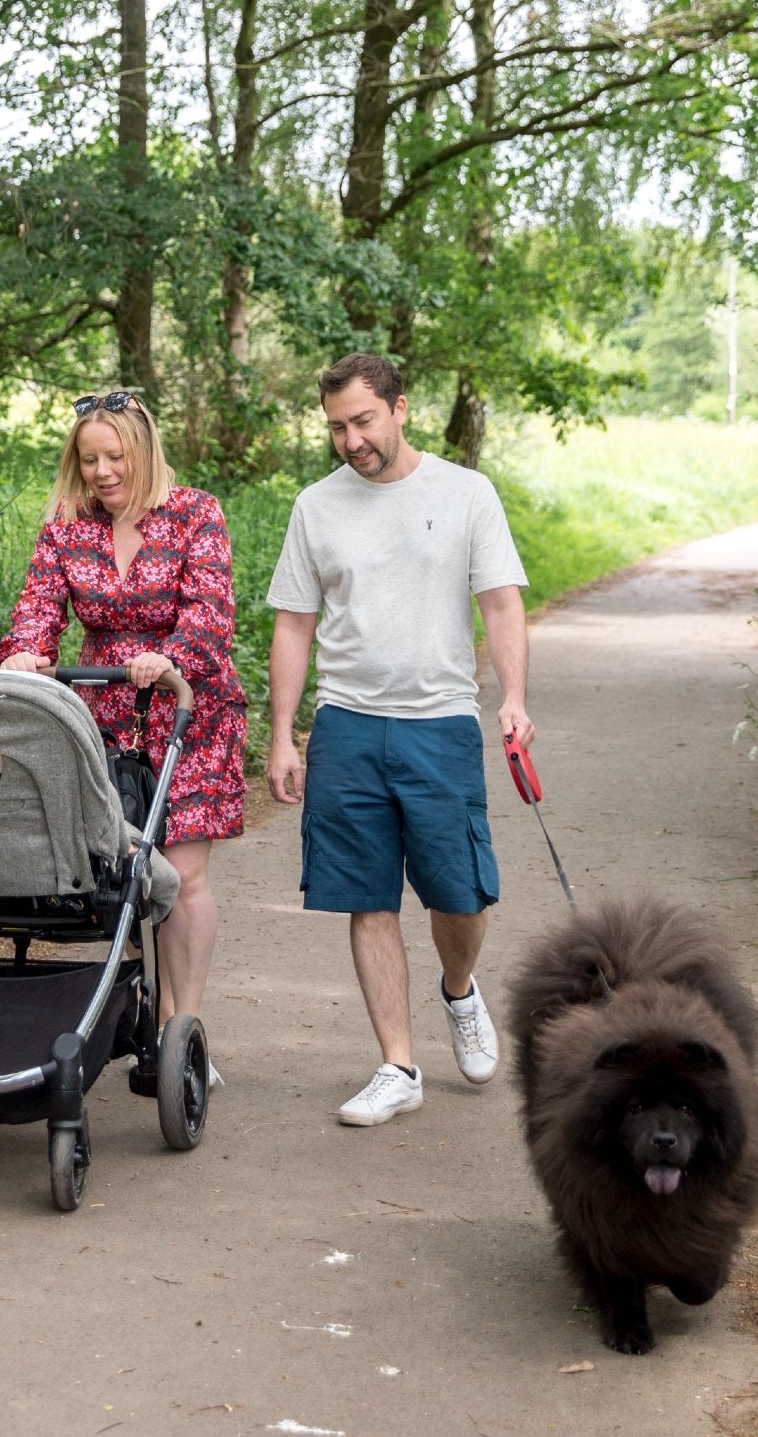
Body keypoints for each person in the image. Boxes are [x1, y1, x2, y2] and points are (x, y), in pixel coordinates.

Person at [267, 353, 534, 1126]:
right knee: (366, 895)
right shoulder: (316, 507)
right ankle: (398, 1064)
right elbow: (293, 622)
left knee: (460, 893)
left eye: (362, 421)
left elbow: (503, 604)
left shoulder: (465, 493)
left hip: (441, 719)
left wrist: (513, 698)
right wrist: (284, 735)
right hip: (347, 721)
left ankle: (459, 989)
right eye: (336, 427)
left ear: (400, 408)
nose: (350, 440)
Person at [0, 390, 245, 1049]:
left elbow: (212, 613)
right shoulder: (66, 524)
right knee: (124, 872)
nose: (103, 472)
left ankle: (178, 1031)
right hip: (103, 712)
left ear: (143, 452)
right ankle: (136, 999)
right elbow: (38, 605)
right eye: (89, 460)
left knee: (184, 875)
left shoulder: (196, 513)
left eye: (115, 457)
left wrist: (167, 656)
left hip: (188, 709)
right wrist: (27, 652)